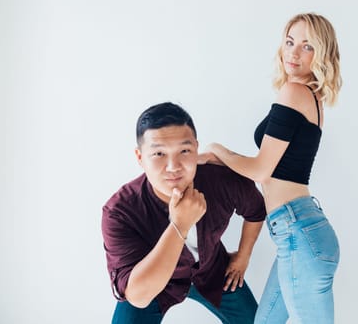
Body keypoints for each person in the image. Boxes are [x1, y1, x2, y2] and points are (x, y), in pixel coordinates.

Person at [199, 13, 342, 323]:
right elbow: (269, 168)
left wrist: (217, 150)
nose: (293, 52)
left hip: (298, 232)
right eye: (290, 42)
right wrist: (216, 159)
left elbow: (261, 170)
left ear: (322, 54)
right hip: (301, 230)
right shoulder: (309, 96)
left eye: (306, 46)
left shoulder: (295, 93)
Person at [101, 102, 266, 324]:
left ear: (196, 149)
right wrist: (179, 225)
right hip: (154, 283)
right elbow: (138, 296)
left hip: (212, 272)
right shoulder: (120, 211)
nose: (173, 166)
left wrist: (243, 256)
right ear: (140, 157)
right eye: (159, 153)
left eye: (184, 151)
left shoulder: (221, 180)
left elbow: (256, 210)